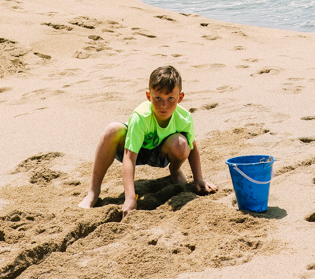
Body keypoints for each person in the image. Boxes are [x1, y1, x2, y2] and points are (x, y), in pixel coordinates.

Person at [78, 65, 218, 216]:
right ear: (148, 96)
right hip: (135, 149)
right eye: (158, 98)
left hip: (161, 153)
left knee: (182, 144)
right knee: (111, 130)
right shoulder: (140, 116)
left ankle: (175, 171)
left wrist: (198, 179)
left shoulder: (184, 118)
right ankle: (93, 191)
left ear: (180, 98)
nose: (164, 104)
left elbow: (193, 147)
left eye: (171, 98)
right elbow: (129, 158)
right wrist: (130, 198)